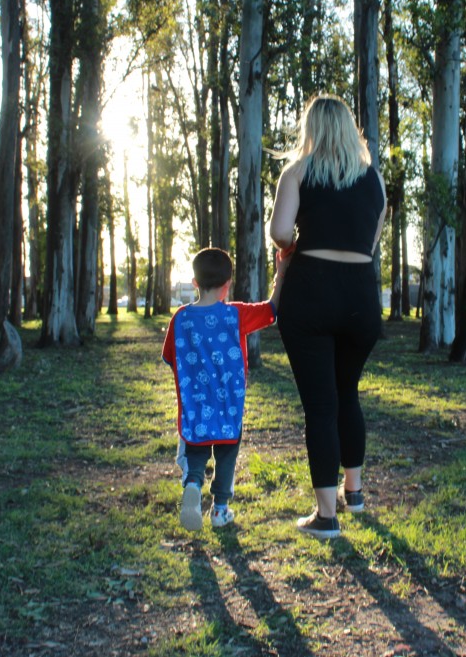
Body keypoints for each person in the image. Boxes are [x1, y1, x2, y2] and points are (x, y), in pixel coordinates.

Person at [269, 94, 386, 539]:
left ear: (312, 128)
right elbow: (372, 240)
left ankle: (326, 517)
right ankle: (353, 494)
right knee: (347, 393)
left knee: (320, 406)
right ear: (350, 128)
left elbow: (281, 232)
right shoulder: (373, 177)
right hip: (360, 293)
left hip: (312, 290)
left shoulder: (297, 171)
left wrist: (295, 245)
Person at [162, 247, 289, 531]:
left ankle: (193, 482)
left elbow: (171, 358)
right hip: (228, 407)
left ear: (195, 282)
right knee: (226, 454)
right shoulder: (236, 315)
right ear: (227, 284)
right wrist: (280, 274)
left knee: (196, 451)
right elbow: (271, 311)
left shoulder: (180, 319)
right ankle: (220, 510)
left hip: (195, 406)